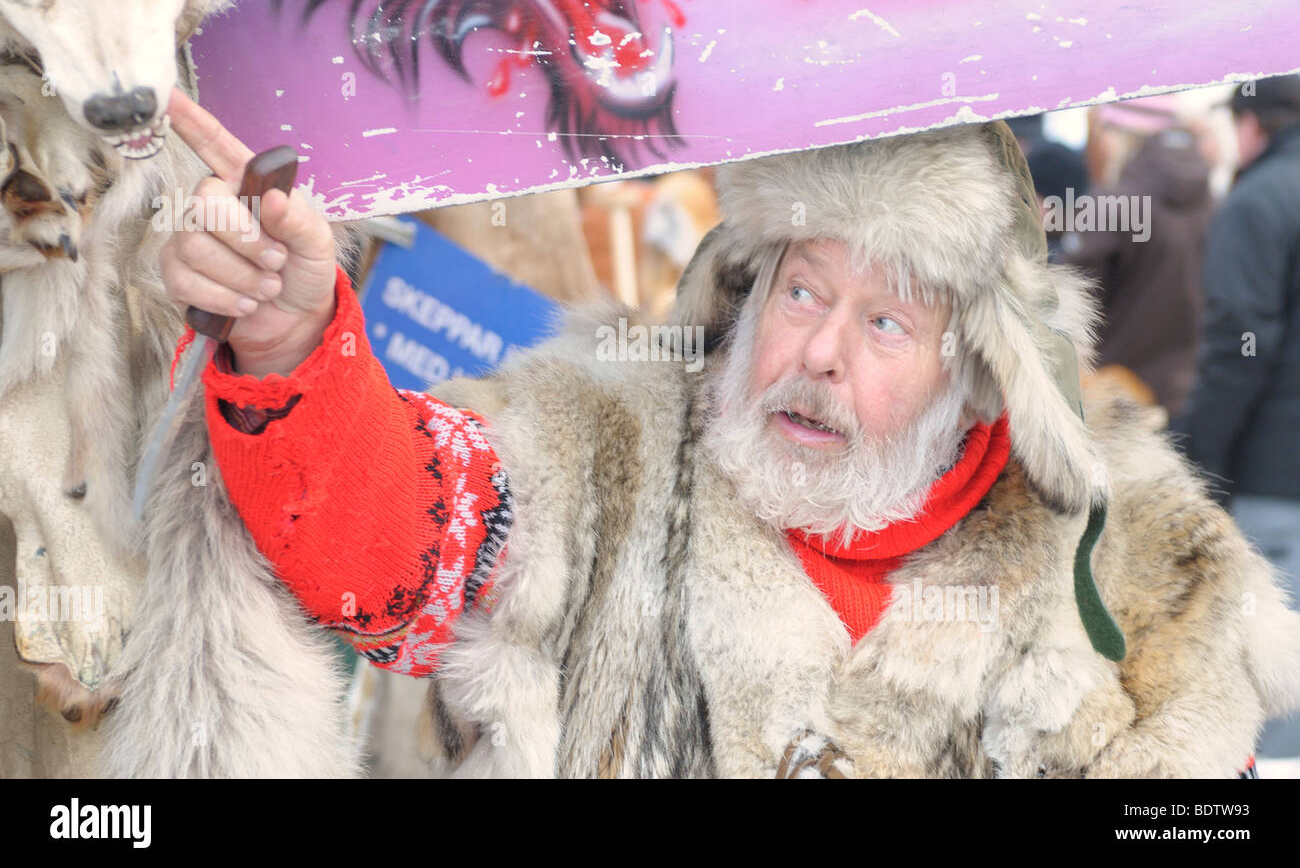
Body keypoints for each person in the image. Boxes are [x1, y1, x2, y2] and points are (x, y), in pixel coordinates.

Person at [157, 89, 1300, 778]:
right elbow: (391, 538)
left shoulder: (1143, 571)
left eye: (886, 318)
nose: (818, 353)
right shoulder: (598, 448)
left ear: (981, 371)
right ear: (744, 289)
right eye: (801, 292)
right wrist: (295, 336)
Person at [1184, 74, 1300, 759]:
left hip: (1273, 475)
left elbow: (1238, 346)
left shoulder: (1259, 201)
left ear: (1251, 123)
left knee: (1273, 686)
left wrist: (1198, 465)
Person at [1059, 120, 1214, 420]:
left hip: (1108, 398)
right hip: (1186, 393)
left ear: (1120, 135)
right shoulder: (1215, 203)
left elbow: (1067, 299)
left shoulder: (1111, 203)